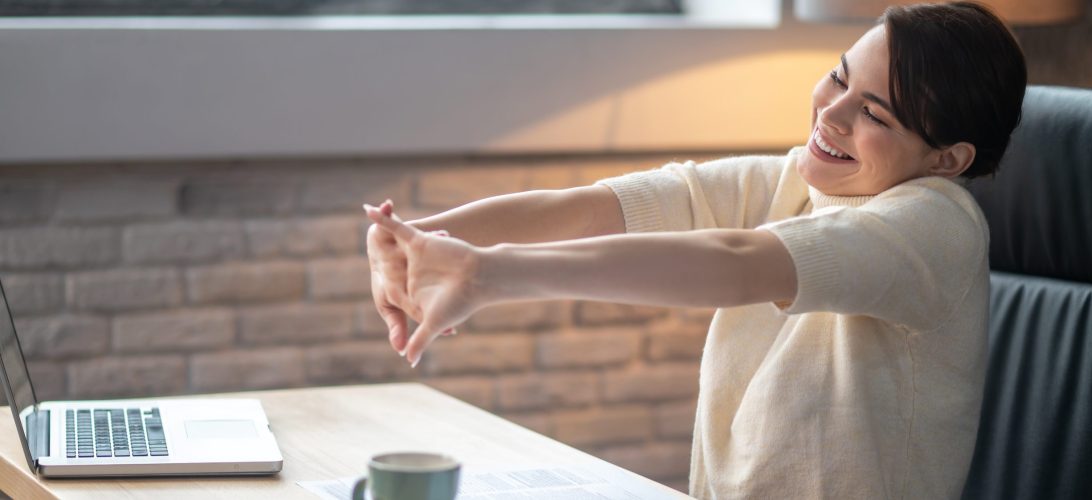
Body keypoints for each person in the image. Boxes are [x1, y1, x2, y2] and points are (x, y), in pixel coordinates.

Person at [363, 2, 1027, 498]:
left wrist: (488, 274)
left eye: (875, 114)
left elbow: (738, 261)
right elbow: (599, 208)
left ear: (947, 157)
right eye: (837, 78)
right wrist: (425, 240)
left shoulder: (935, 225)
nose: (831, 114)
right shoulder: (794, 178)